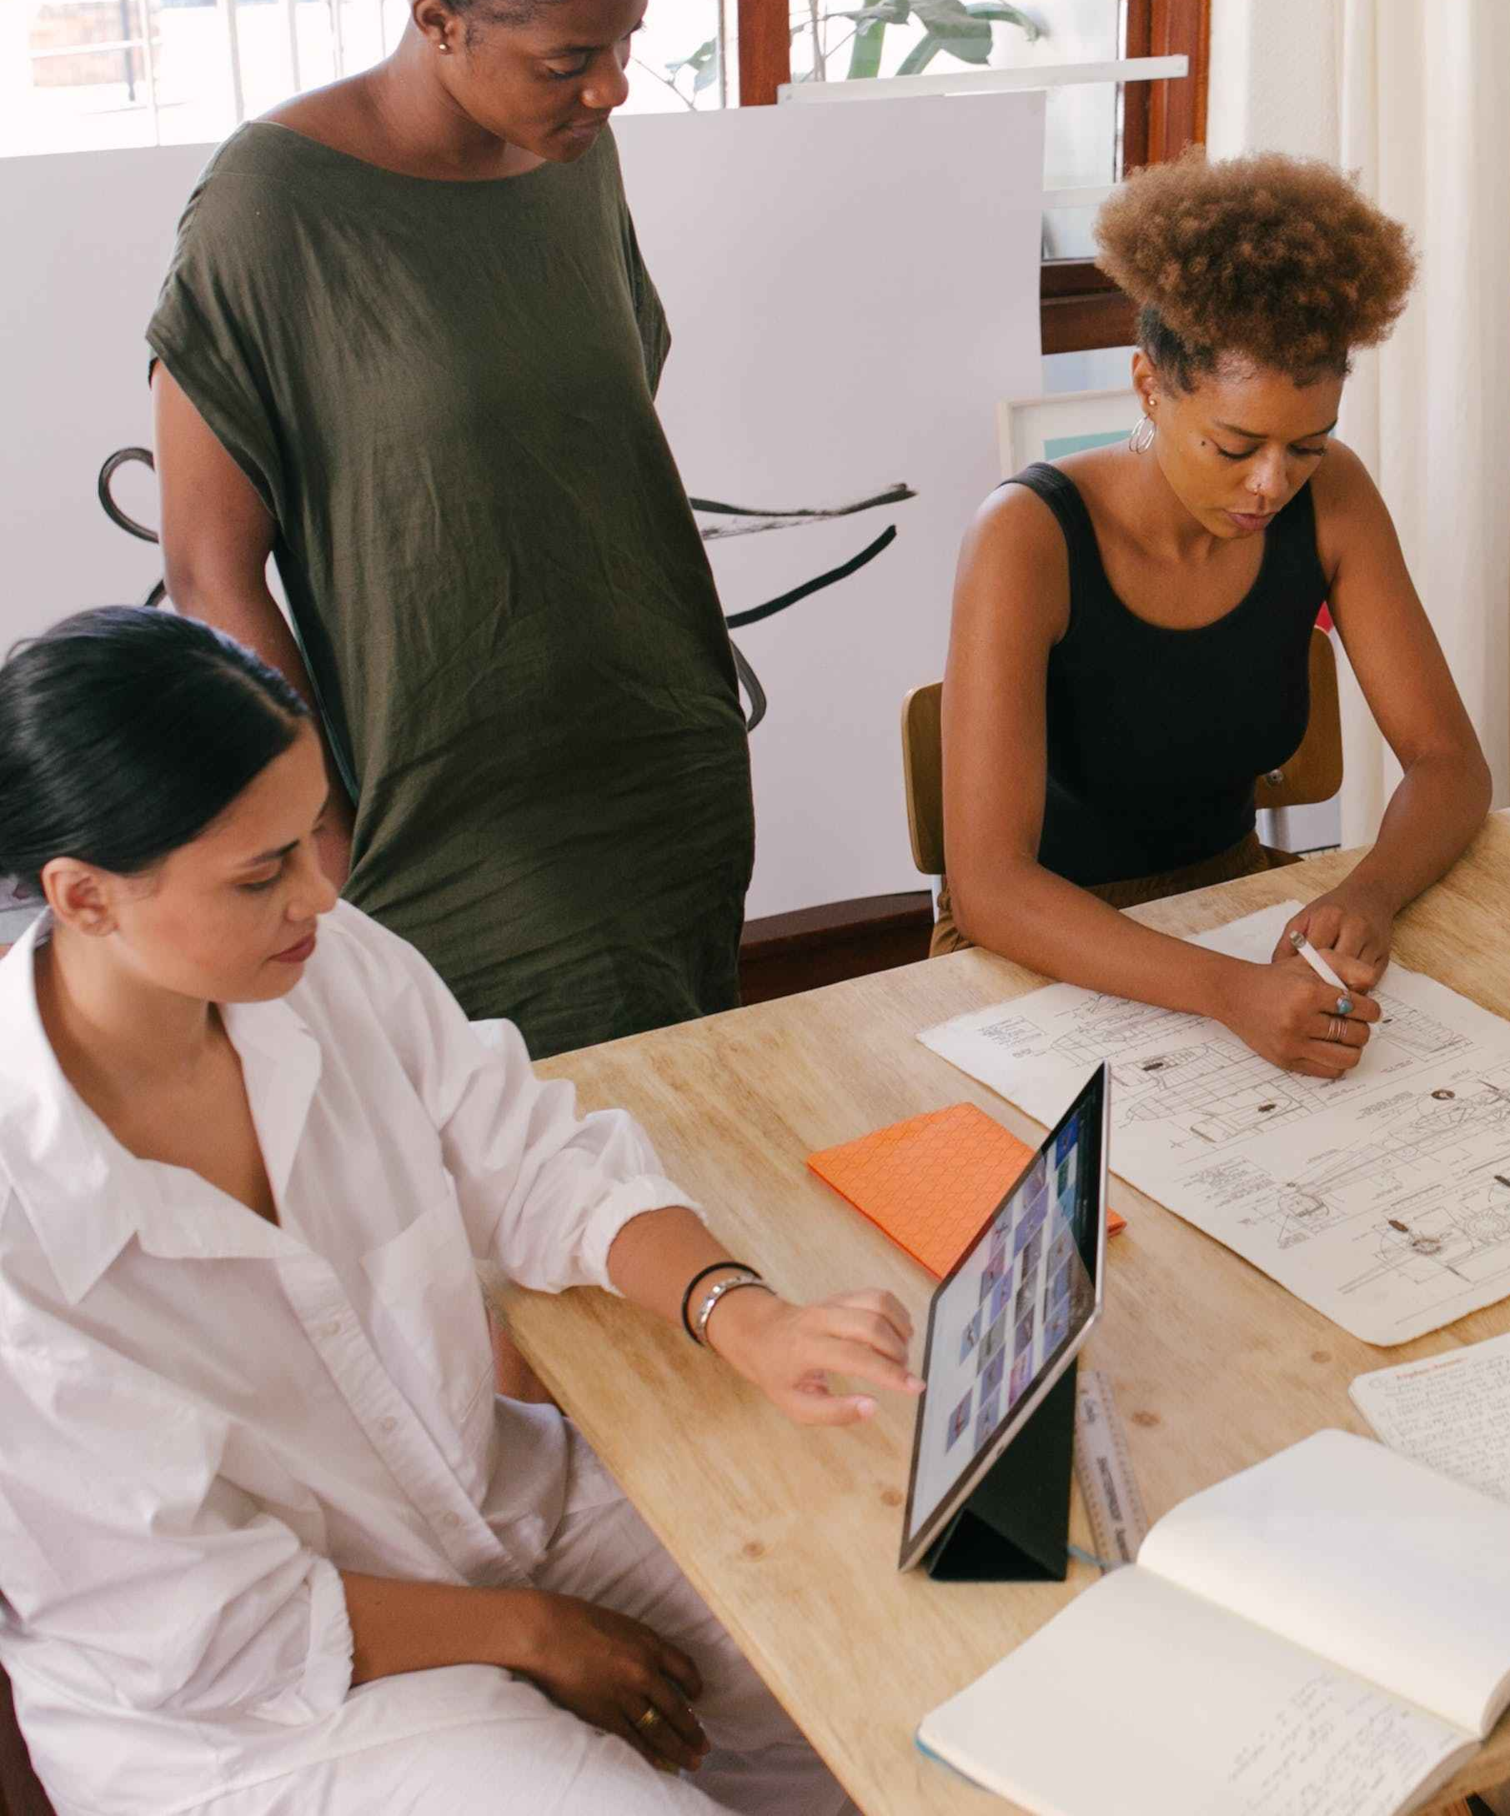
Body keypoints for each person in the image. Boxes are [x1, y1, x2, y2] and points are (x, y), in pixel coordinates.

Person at [0, 607, 919, 1816]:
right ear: (85, 898)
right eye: (261, 871)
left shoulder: (321, 962)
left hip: (489, 1504)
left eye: (315, 833)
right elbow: (200, 1623)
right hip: (256, 1711)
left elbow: (531, 1159)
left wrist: (738, 1314)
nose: (321, 893)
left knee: (888, 1667)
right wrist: (529, 1634)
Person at [148, 0, 751, 1062]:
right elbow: (210, 569)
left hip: (660, 759)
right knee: (506, 1178)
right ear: (438, 19)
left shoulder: (573, 150)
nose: (610, 86)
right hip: (446, 811)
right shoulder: (271, 210)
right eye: (567, 59)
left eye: (627, 41)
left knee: (684, 1136)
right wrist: (316, 828)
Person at [937, 152, 1491, 1075]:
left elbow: (1448, 763)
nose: (1271, 484)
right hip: (1041, 956)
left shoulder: (1333, 500)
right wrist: (1230, 993)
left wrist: (1371, 892)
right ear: (1150, 386)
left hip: (1234, 915)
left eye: (1307, 446)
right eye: (1236, 446)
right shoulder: (1026, 537)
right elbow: (990, 889)